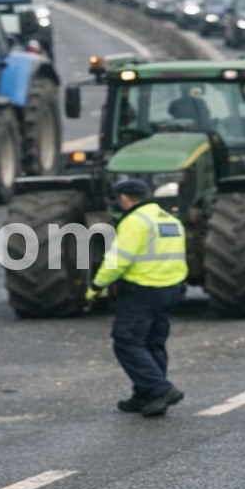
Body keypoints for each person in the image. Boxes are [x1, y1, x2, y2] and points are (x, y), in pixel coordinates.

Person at [88, 178, 188, 417]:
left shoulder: (135, 221)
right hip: (170, 289)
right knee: (154, 342)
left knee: (127, 342)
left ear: (123, 198)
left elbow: (118, 260)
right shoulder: (170, 220)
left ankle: (160, 389)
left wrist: (96, 286)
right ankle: (145, 395)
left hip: (142, 290)